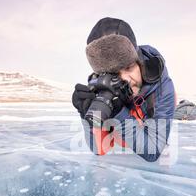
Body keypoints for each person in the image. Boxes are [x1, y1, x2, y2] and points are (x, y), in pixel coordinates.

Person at [72, 17, 176, 162]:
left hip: (148, 127)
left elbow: (153, 151)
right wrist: (87, 116)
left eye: (129, 68)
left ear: (139, 63)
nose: (126, 79)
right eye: (115, 75)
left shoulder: (163, 87)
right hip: (128, 131)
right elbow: (99, 149)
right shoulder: (103, 88)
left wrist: (119, 112)